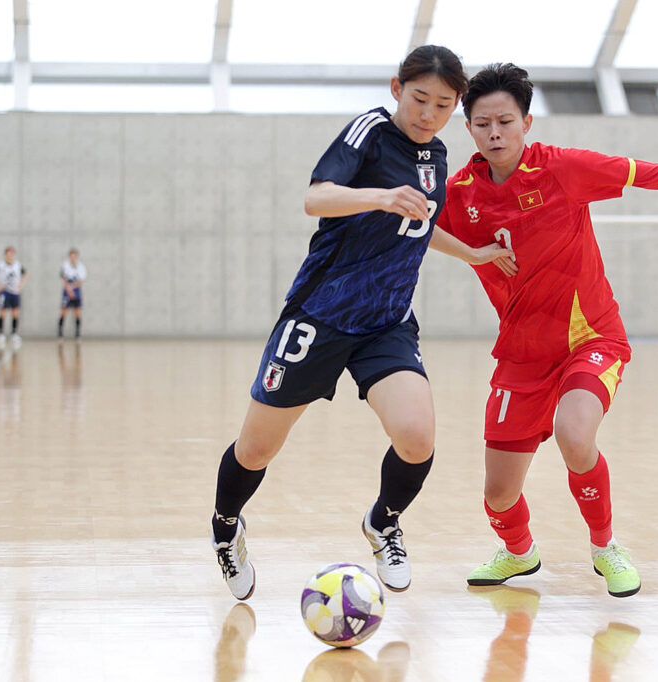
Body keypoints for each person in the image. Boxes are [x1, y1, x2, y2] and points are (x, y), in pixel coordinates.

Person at [431, 63, 658, 597]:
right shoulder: (461, 193)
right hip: (522, 354)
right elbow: (416, 230)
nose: (495, 133)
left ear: (527, 122)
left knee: (576, 437)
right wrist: (468, 250)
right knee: (499, 493)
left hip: (590, 338)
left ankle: (605, 547)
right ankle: (518, 553)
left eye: (506, 121)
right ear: (469, 129)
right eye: (483, 124)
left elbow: (654, 173)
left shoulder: (563, 169)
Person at [208, 45, 511, 601]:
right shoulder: (369, 131)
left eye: (444, 105)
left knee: (417, 438)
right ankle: (226, 527)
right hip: (320, 316)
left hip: (386, 322)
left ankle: (383, 522)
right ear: (397, 89)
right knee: (256, 450)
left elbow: (419, 222)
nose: (429, 114)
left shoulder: (437, 156)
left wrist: (472, 253)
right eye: (420, 99)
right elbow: (315, 198)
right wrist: (380, 196)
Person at [0, 246, 28, 350]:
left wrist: (22, 285)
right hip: (4, 292)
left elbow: (26, 274)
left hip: (15, 292)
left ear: (14, 255)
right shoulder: (1, 265)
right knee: (3, 312)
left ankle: (14, 333)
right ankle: (1, 334)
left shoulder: (18, 265)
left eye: (12, 253)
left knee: (15, 313)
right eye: (8, 254)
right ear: (5, 255)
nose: (10, 255)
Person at [58, 248, 87, 339]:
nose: (73, 258)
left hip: (77, 290)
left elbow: (81, 281)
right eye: (71, 256)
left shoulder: (81, 267)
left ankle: (77, 333)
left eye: (75, 256)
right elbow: (64, 278)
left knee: (77, 311)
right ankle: (60, 332)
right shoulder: (65, 265)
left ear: (77, 257)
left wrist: (73, 288)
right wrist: (69, 289)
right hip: (67, 291)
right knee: (64, 311)